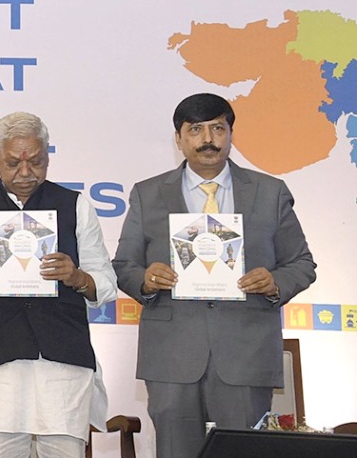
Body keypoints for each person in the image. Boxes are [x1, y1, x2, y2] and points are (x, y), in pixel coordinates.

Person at [111, 93, 317, 458]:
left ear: (231, 134)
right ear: (179, 139)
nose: (208, 139)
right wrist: (146, 279)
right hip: (172, 356)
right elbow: (124, 266)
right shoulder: (148, 193)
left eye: (218, 128)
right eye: (195, 130)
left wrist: (274, 282)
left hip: (246, 352)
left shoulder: (270, 192)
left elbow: (301, 264)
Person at [0, 112, 115, 458]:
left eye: (37, 162)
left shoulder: (76, 205)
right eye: (14, 163)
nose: (26, 172)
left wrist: (77, 277)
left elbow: (105, 283)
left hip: (63, 362)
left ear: (48, 156)